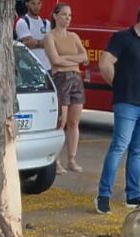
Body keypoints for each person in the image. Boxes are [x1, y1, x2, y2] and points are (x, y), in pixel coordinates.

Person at [95, 3, 140, 214]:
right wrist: (118, 86)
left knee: (138, 151)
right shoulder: (122, 39)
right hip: (126, 104)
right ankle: (103, 196)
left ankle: (133, 196)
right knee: (119, 147)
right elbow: (105, 63)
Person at [44, 2, 87, 175]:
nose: (67, 18)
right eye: (64, 15)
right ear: (55, 16)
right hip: (60, 78)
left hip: (76, 79)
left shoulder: (74, 36)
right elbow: (55, 60)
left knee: (74, 122)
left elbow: (85, 58)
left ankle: (71, 159)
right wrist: (74, 59)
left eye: (69, 15)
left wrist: (67, 59)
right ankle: (56, 160)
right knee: (60, 122)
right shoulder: (50, 37)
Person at [15, 0, 50, 70]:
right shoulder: (22, 22)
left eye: (38, 3)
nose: (36, 7)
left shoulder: (46, 23)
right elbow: (29, 43)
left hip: (46, 68)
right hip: (28, 69)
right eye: (33, 3)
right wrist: (47, 43)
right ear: (27, 4)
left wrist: (39, 42)